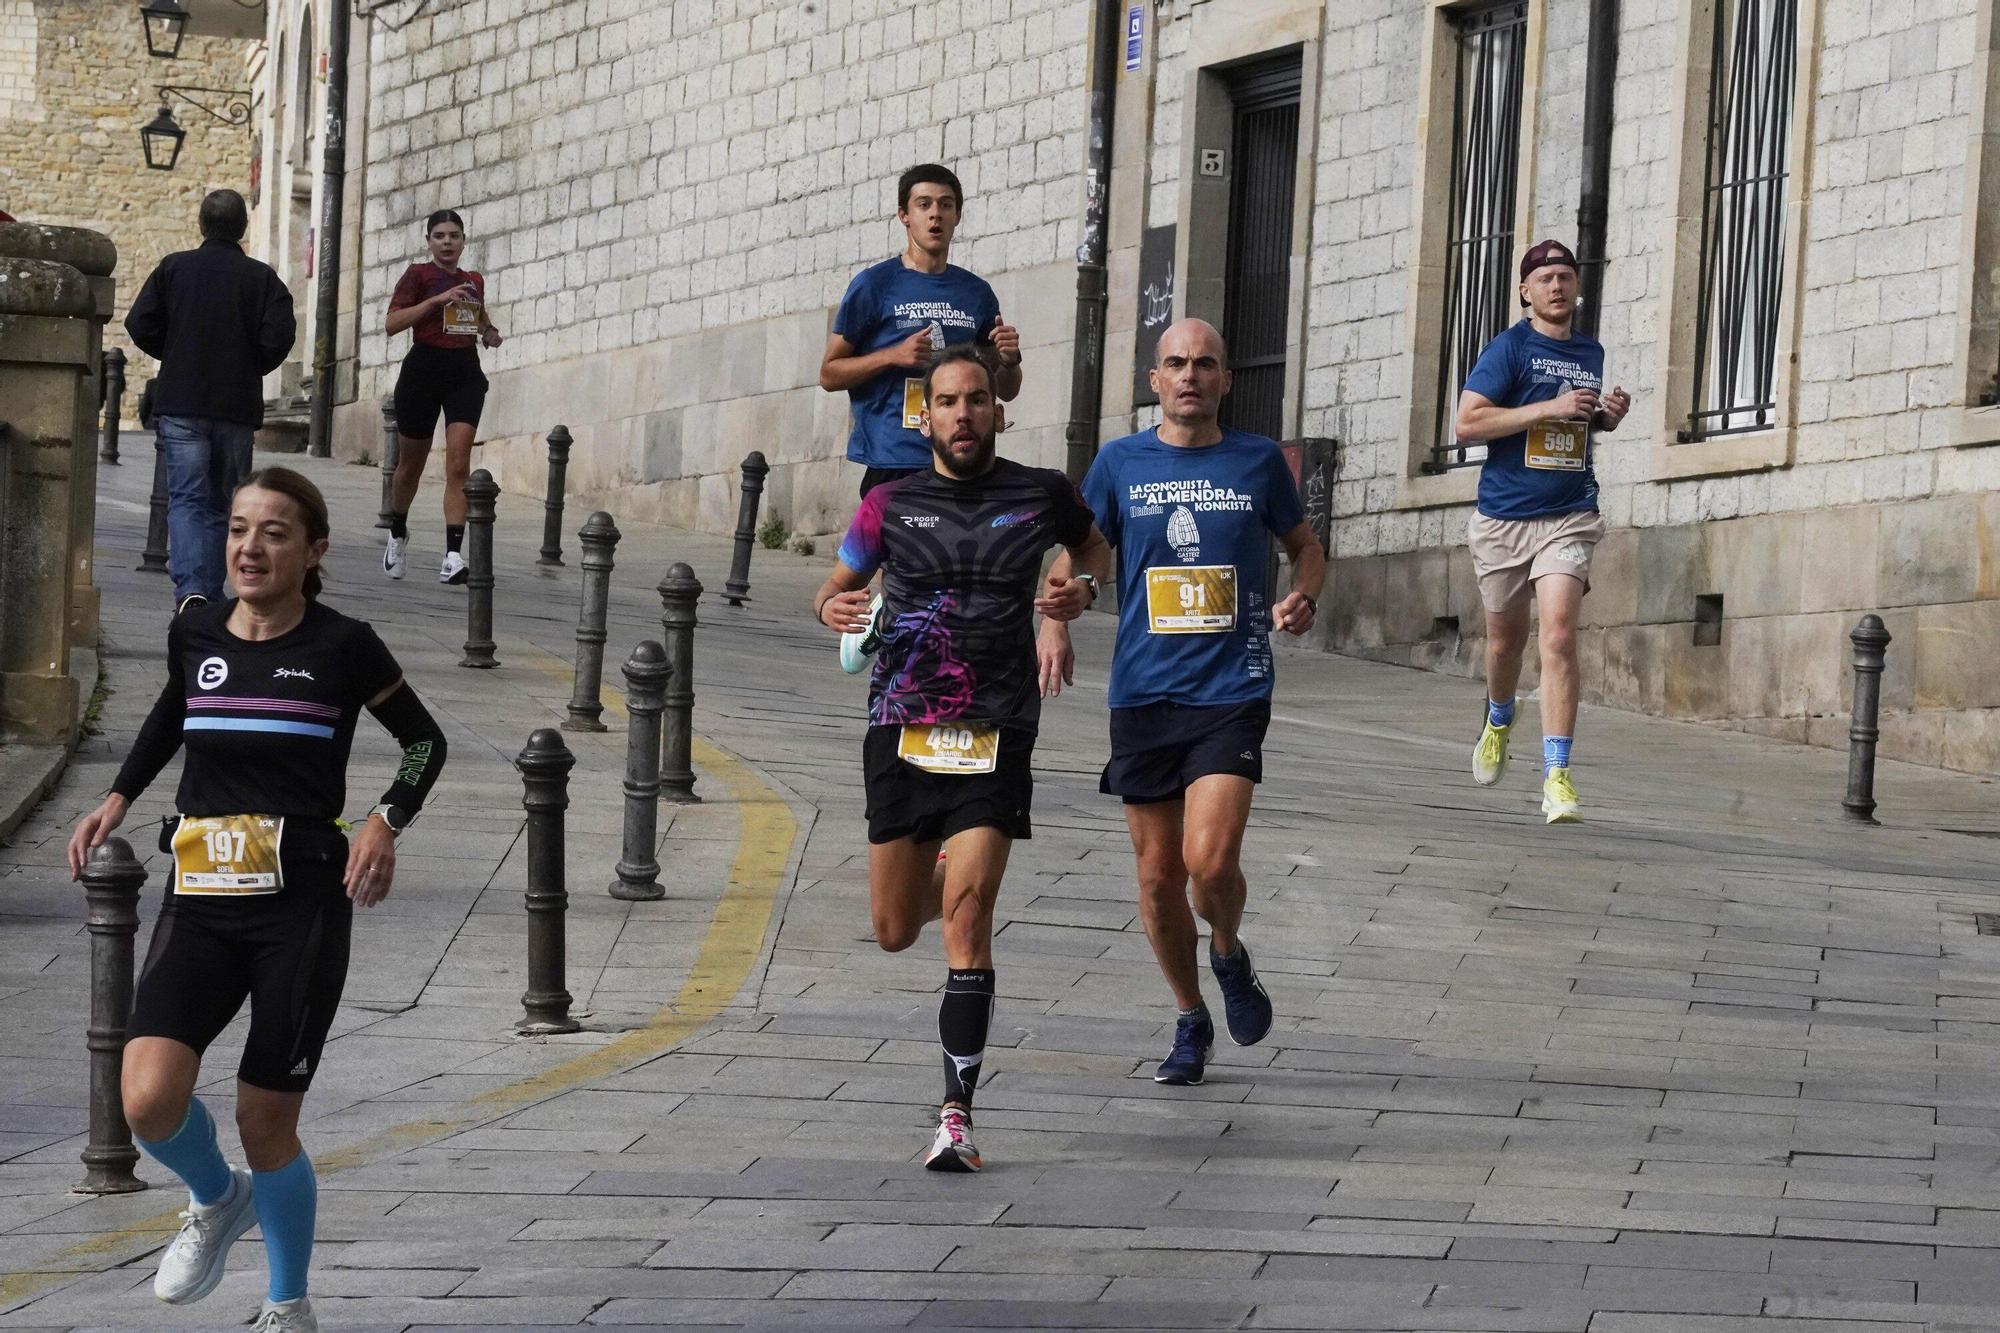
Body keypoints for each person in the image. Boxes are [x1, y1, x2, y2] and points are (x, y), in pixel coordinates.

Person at [67, 468, 447, 1333]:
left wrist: (385, 821)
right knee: (147, 1098)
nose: (249, 546)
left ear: (312, 552)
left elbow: (425, 740)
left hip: (301, 904)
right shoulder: (195, 628)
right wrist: (119, 795)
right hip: (199, 894)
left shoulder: (344, 645)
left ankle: (287, 1305)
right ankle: (214, 1196)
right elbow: (177, 708)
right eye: (239, 528)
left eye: (274, 532)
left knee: (264, 1113)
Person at [809, 344, 1110, 1172]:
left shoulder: (1041, 491)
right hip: (901, 728)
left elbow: (1096, 556)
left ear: (997, 410)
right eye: (947, 401)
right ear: (925, 415)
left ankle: (956, 1116)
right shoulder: (891, 503)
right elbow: (831, 588)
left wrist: (1073, 597)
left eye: (978, 398)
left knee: (970, 919)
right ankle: (943, 864)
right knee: (896, 928)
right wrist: (835, 605)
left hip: (996, 726)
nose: (964, 413)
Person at [1038, 318, 1326, 1088]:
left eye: (1205, 363)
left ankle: (1227, 948)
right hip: (1144, 691)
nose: (1191, 374)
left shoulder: (1258, 461)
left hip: (1232, 688)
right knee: (1160, 876)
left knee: (1210, 859)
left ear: (1226, 379)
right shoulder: (1119, 462)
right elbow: (1083, 553)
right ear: (1154, 379)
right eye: (1176, 363)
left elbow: (1305, 542)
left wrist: (1304, 594)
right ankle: (1190, 1013)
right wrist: (1056, 618)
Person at [1453, 239, 1630, 823]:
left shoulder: (1590, 351)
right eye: (1545, 279)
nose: (1557, 287)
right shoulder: (1509, 348)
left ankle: (1557, 776)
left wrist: (1602, 417)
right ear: (1525, 293)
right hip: (1505, 517)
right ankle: (1498, 718)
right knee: (1506, 642)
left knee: (1557, 637)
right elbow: (1468, 423)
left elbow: (1575, 424)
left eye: (1566, 277)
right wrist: (1545, 410)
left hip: (1569, 511)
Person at [125, 189, 297, 616]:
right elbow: (279, 336)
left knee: (186, 499)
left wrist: (175, 351)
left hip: (183, 399)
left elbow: (139, 322)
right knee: (226, 500)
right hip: (235, 406)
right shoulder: (263, 279)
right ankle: (211, 587)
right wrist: (249, 363)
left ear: (202, 224)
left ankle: (192, 590)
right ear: (242, 229)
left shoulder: (174, 268)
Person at [819, 163, 1023, 498]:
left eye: (945, 205)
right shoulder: (875, 285)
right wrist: (892, 356)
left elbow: (1006, 390)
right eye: (924, 204)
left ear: (957, 216)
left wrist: (1010, 361)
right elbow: (829, 374)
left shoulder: (976, 293)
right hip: (895, 459)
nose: (935, 215)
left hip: (961, 458)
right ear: (904, 215)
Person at [381, 209, 504, 585]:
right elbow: (392, 324)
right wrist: (435, 302)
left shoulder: (472, 280)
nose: (447, 242)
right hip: (422, 372)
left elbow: (477, 318)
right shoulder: (418, 275)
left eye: (454, 235)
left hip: (463, 373)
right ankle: (397, 531)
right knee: (410, 467)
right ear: (429, 241)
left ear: (464, 241)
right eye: (439, 236)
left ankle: (453, 555)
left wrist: (489, 332)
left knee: (458, 463)